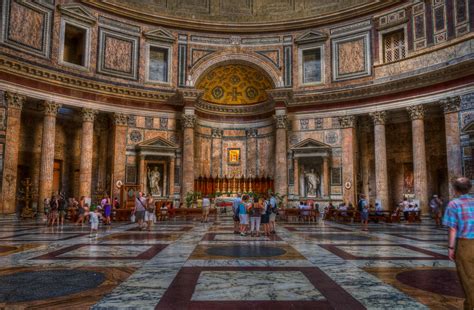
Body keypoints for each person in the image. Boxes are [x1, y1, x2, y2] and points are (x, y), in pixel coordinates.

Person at [443, 177, 474, 310]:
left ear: (455, 190)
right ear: (470, 188)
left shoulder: (454, 204)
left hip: (465, 244)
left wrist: (451, 248)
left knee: (468, 279)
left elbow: (453, 228)